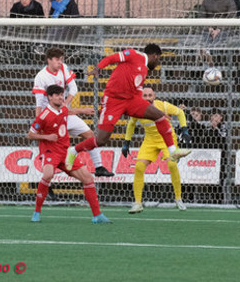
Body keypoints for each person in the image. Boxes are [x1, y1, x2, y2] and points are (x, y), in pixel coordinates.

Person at [65, 44, 192, 171]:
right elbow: (112, 58)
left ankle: (173, 152)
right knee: (101, 139)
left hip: (132, 100)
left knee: (160, 116)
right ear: (155, 56)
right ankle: (74, 151)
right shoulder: (133, 54)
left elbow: (137, 93)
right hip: (113, 101)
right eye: (158, 59)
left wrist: (149, 110)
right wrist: (99, 67)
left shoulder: (144, 70)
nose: (158, 63)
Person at [27, 84, 111, 224]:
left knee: (88, 178)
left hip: (65, 152)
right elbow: (30, 135)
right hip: (50, 151)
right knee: (48, 175)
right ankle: (36, 212)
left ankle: (97, 215)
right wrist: (47, 137)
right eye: (58, 95)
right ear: (50, 97)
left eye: (62, 95)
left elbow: (69, 111)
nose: (62, 97)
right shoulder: (43, 116)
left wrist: (83, 111)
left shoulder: (63, 109)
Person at [32, 47, 113, 178]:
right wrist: (39, 122)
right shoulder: (41, 77)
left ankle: (99, 167)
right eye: (57, 59)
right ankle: (47, 184)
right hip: (51, 119)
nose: (60, 62)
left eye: (61, 59)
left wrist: (65, 103)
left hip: (66, 114)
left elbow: (73, 88)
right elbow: (39, 104)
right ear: (49, 60)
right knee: (50, 152)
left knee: (90, 135)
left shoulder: (63, 68)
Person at [122, 87, 191, 214]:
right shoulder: (137, 108)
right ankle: (137, 203)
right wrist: (126, 141)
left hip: (167, 139)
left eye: (150, 95)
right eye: (145, 96)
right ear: (140, 97)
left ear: (154, 96)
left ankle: (178, 199)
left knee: (171, 164)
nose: (147, 98)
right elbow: (131, 123)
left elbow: (180, 113)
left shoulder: (163, 106)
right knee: (138, 167)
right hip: (150, 140)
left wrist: (184, 129)